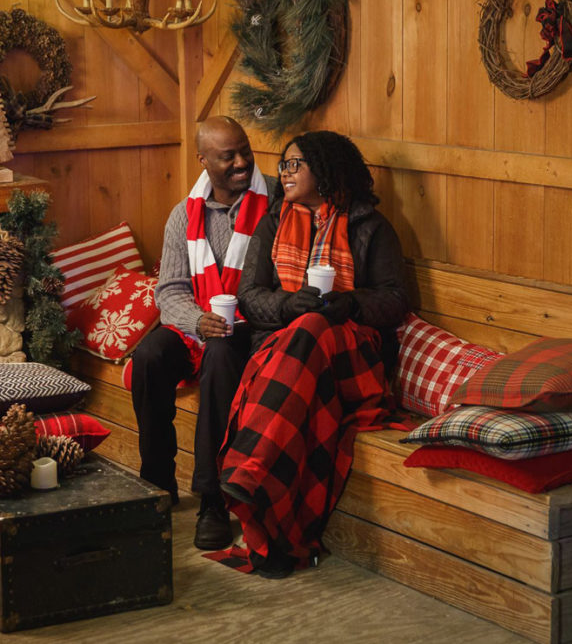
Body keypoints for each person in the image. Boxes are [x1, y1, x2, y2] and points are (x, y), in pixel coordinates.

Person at [220, 130, 409, 578]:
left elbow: (396, 300)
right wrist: (289, 305)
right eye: (283, 165)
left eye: (295, 164)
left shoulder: (370, 226)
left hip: (352, 355)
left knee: (311, 329)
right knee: (304, 337)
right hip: (289, 350)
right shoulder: (274, 221)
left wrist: (350, 303)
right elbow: (249, 296)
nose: (284, 173)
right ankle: (274, 538)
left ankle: (249, 469)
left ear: (324, 170)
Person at [129, 115, 271, 551]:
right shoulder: (184, 215)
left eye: (245, 151)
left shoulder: (275, 206)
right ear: (203, 160)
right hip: (200, 325)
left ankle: (213, 499)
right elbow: (169, 291)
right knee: (149, 356)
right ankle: (157, 483)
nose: (241, 162)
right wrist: (197, 322)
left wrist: (229, 323)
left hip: (253, 331)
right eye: (228, 156)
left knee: (220, 354)